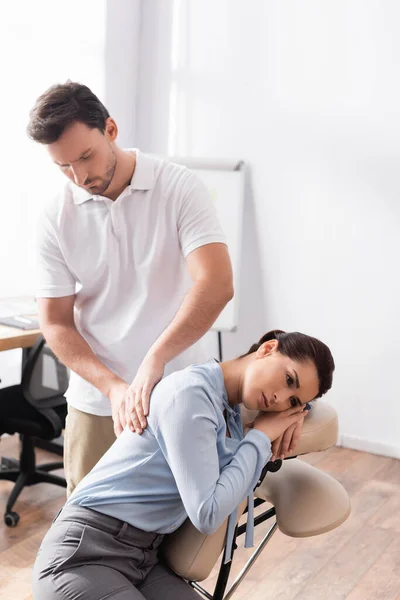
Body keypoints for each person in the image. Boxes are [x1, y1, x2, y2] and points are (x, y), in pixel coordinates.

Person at [27, 81, 234, 495]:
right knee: (85, 535)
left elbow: (216, 284)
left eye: (86, 156)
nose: (80, 176)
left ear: (111, 129)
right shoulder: (55, 216)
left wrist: (154, 361)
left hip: (179, 392)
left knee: (181, 536)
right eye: (64, 166)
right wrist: (114, 387)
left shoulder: (178, 187)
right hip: (97, 402)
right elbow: (55, 322)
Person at [32, 329, 335, 600]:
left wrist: (300, 412)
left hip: (143, 559)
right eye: (288, 379)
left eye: (293, 401)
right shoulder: (192, 395)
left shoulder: (227, 407)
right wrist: (259, 437)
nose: (280, 398)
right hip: (83, 555)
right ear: (267, 348)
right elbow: (207, 513)